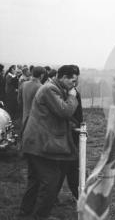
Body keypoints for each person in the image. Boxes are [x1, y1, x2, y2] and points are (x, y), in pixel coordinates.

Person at [19, 65, 80, 220]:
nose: (74, 84)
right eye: (72, 80)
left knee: (35, 182)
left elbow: (53, 116)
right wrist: (72, 96)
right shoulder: (50, 89)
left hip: (35, 142)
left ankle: (25, 214)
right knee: (51, 182)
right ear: (63, 77)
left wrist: (73, 127)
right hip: (40, 144)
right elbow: (64, 111)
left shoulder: (53, 88)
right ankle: (39, 216)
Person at [57, 65, 82, 202]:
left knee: (69, 168)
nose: (75, 83)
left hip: (73, 134)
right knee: (68, 168)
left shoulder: (73, 91)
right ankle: (79, 196)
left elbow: (78, 114)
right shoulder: (66, 93)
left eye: (76, 80)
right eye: (73, 80)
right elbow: (68, 113)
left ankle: (78, 196)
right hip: (68, 135)